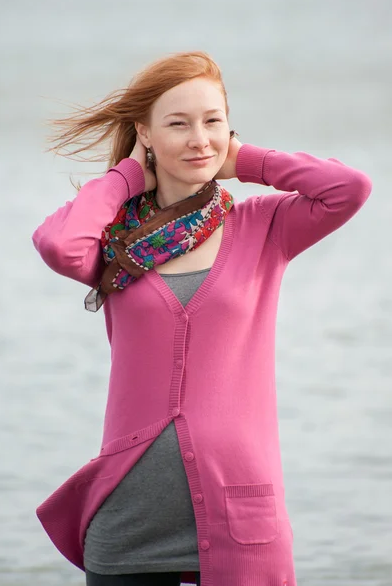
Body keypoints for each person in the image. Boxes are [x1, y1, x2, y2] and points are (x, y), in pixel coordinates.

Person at [32, 51, 372, 586]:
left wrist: (251, 161)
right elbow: (57, 244)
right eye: (178, 124)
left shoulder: (266, 228)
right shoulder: (118, 246)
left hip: (241, 513)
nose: (199, 139)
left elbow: (348, 188)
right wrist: (124, 181)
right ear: (144, 133)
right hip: (129, 523)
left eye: (212, 121)